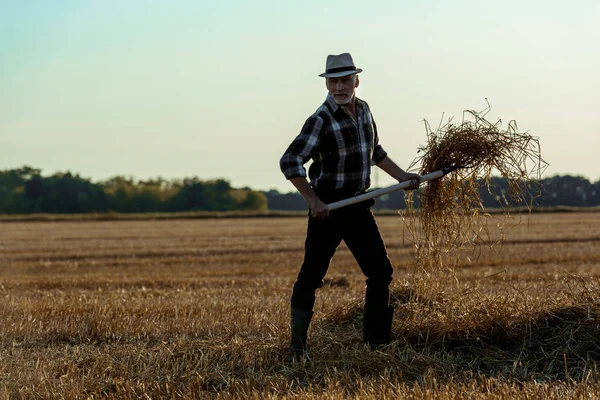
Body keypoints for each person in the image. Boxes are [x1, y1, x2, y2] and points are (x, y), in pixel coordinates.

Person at [279, 53, 421, 362]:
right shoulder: (320, 119)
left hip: (358, 206)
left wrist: (404, 177)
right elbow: (290, 161)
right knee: (311, 277)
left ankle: (377, 344)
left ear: (356, 80)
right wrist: (313, 200)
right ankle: (297, 348)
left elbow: (375, 152)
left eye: (345, 80)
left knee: (381, 272)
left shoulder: (365, 110)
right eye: (333, 81)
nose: (339, 87)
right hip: (328, 208)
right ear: (327, 84)